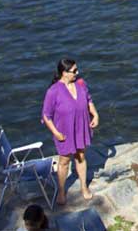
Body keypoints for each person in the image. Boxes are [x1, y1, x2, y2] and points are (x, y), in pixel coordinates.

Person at [41, 58, 99, 205]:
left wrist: (95, 114)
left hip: (81, 128)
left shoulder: (80, 83)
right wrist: (56, 133)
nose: (77, 73)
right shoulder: (53, 91)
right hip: (64, 132)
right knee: (64, 162)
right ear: (64, 73)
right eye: (74, 71)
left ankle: (84, 187)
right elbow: (46, 116)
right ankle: (61, 191)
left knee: (80, 157)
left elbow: (89, 100)